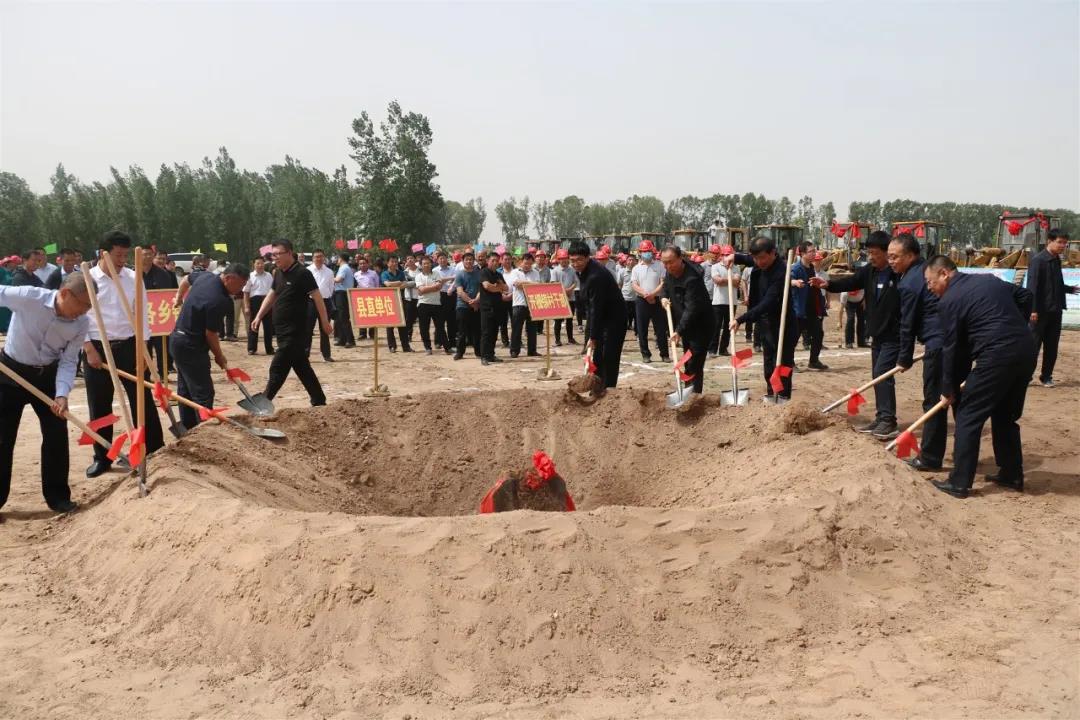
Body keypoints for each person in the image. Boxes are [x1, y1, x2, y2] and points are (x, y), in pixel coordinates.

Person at [923, 255, 1035, 498]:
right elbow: (1026, 296)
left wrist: (948, 389)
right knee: (1005, 415)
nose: (929, 288)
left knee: (968, 415)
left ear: (944, 274)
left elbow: (951, 349)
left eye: (930, 282)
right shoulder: (988, 280)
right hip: (1026, 349)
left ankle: (959, 482)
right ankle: (1011, 474)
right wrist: (1016, 324)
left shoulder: (949, 300)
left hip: (997, 356)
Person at [0, 274, 94, 514]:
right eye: (83, 304)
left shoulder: (81, 323)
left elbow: (69, 360)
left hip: (47, 377)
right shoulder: (29, 297)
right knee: (2, 438)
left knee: (56, 435)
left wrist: (62, 394)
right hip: (10, 374)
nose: (84, 311)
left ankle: (58, 497)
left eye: (89, 307)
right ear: (64, 293)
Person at [83, 230, 166, 478]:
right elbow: (78, 318)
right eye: (118, 255)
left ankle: (155, 448)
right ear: (103, 254)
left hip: (130, 344)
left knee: (142, 398)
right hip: (97, 347)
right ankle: (103, 456)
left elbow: (141, 314)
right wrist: (88, 349)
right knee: (100, 404)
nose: (122, 260)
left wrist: (143, 347)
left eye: (125, 255)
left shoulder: (132, 277)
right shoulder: (87, 278)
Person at [811, 231, 901, 439]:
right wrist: (828, 284)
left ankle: (889, 421)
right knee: (877, 375)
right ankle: (882, 416)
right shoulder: (870, 271)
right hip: (877, 334)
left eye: (874, 253)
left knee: (883, 374)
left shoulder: (897, 273)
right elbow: (851, 282)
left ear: (887, 252)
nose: (870, 257)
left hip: (894, 335)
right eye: (869, 253)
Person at [251, 239, 332, 407]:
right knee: (301, 366)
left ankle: (264, 401)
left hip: (295, 330)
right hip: (281, 330)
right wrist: (258, 316)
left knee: (278, 366)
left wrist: (325, 322)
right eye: (273, 255)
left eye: (278, 254)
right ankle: (318, 399)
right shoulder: (278, 273)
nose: (275, 258)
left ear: (289, 253)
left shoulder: (302, 273)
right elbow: (272, 294)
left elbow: (318, 298)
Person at [889, 233, 945, 471]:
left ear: (911, 256)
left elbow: (908, 324)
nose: (891, 261)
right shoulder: (926, 270)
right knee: (954, 399)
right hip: (953, 339)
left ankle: (930, 458)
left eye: (895, 257)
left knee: (934, 401)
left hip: (938, 342)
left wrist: (904, 358)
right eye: (889, 256)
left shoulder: (910, 282)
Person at [170, 264, 249, 429]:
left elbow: (186, 279)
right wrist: (219, 356)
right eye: (240, 285)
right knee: (203, 393)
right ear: (228, 278)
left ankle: (188, 427)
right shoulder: (219, 300)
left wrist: (178, 297)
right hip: (191, 346)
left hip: (177, 340)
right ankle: (203, 431)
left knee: (185, 390)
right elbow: (211, 334)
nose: (240, 289)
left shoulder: (205, 277)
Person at [724, 236, 799, 401]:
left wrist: (741, 319)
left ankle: (783, 397)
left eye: (762, 258)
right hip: (766, 323)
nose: (759, 262)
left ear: (773, 253)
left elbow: (767, 303)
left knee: (782, 365)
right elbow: (748, 259)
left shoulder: (781, 272)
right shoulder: (761, 260)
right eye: (756, 258)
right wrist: (734, 257)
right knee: (769, 366)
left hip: (783, 325)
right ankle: (772, 394)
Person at [568, 241, 626, 388]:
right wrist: (592, 334)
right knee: (598, 355)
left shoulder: (595, 276)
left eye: (579, 260)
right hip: (601, 318)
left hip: (614, 320)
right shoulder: (583, 271)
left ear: (588, 257)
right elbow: (592, 308)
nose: (575, 264)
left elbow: (596, 308)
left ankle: (608, 390)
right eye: (572, 260)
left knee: (609, 356)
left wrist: (593, 336)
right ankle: (598, 387)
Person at [1026, 228, 1078, 388]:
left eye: (1065, 243)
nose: (1062, 246)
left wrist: (1070, 289)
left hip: (1055, 310)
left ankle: (1046, 376)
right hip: (1039, 312)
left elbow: (1055, 284)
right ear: (1050, 241)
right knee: (1033, 346)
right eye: (1060, 242)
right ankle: (1025, 376)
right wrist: (1032, 310)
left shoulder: (1056, 260)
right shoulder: (1038, 260)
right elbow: (1032, 286)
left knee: (1052, 347)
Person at [660, 247, 711, 395]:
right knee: (688, 360)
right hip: (686, 324)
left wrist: (679, 331)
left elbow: (691, 309)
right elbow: (666, 286)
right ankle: (689, 391)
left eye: (671, 262)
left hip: (701, 325)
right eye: (664, 263)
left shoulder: (692, 278)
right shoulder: (670, 272)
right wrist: (663, 297)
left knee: (695, 362)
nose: (668, 266)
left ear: (680, 258)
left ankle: (694, 395)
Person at [790, 242, 828, 371]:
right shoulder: (795, 268)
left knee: (818, 334)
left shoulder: (811, 267)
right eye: (811, 251)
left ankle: (814, 361)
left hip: (811, 309)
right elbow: (786, 280)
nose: (814, 254)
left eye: (814, 251)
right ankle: (789, 363)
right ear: (802, 253)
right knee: (793, 337)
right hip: (799, 309)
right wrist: (795, 282)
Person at [630, 239, 669, 363]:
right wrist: (645, 294)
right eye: (644, 251)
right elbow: (634, 284)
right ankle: (645, 354)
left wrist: (653, 294)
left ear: (652, 252)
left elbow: (663, 283)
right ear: (640, 253)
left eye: (648, 251)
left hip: (657, 300)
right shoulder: (636, 268)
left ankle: (664, 354)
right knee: (642, 329)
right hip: (641, 301)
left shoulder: (660, 265)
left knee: (661, 329)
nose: (646, 253)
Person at [303, 250, 336, 362]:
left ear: (324, 258)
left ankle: (326, 355)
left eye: (321, 256)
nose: (319, 259)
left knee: (325, 328)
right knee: (308, 329)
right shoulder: (307, 270)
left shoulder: (329, 272)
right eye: (316, 257)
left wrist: (325, 296)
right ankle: (305, 354)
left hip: (325, 301)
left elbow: (331, 287)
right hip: (311, 302)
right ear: (313, 258)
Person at [507, 252, 541, 358]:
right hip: (519, 303)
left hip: (532, 304)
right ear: (521, 262)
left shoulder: (535, 272)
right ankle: (514, 350)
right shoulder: (515, 272)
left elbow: (537, 286)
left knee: (532, 329)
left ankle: (532, 350)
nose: (527, 266)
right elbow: (516, 284)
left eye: (530, 264)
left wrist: (524, 284)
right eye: (526, 263)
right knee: (516, 328)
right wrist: (531, 284)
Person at [708, 245, 739, 356]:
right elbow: (718, 281)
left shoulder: (736, 268)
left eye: (728, 255)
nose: (726, 257)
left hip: (732, 302)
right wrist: (730, 280)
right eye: (724, 255)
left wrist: (725, 280)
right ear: (721, 256)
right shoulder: (715, 267)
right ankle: (712, 349)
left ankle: (723, 349)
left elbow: (737, 282)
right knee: (716, 326)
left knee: (728, 327)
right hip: (718, 302)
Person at [452, 252, 482, 360]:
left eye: (471, 259)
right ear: (463, 261)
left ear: (474, 261)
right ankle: (460, 352)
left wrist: (476, 300)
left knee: (477, 330)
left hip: (477, 305)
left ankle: (478, 352)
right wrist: (472, 302)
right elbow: (460, 292)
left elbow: (481, 289)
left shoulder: (479, 274)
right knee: (461, 331)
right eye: (466, 259)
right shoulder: (459, 274)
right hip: (462, 306)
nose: (469, 261)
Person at [479, 253, 508, 366]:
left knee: (494, 332)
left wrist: (497, 287)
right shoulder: (484, 272)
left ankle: (491, 354)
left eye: (497, 260)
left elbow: (506, 288)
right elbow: (487, 286)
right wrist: (499, 288)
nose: (495, 263)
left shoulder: (499, 274)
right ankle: (484, 356)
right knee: (486, 333)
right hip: (486, 307)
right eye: (493, 260)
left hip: (498, 307)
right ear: (488, 261)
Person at [380, 256, 414, 353]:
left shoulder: (401, 273)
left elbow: (405, 285)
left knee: (402, 324)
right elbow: (387, 284)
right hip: (389, 301)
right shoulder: (384, 273)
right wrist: (399, 282)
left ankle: (406, 346)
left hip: (400, 300)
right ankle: (392, 346)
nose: (394, 263)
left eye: (396, 262)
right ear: (388, 263)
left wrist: (395, 284)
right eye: (392, 261)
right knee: (390, 325)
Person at [414, 256, 446, 354]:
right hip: (423, 304)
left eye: (428, 263)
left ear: (431, 264)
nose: (426, 265)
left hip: (436, 303)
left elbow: (439, 287)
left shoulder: (436, 273)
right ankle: (428, 348)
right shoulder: (418, 276)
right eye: (424, 263)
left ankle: (447, 347)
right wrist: (433, 287)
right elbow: (421, 289)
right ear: (421, 265)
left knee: (440, 327)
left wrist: (425, 289)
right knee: (424, 328)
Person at [243, 256, 274, 355]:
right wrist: (247, 307)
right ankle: (252, 348)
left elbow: (273, 290)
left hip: (267, 301)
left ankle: (269, 348)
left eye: (262, 263)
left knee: (268, 326)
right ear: (254, 265)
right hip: (254, 301)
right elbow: (246, 292)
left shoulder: (269, 275)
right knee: (254, 325)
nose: (260, 265)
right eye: (258, 263)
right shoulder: (250, 276)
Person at [551, 249, 578, 346]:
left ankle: (570, 338)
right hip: (559, 299)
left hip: (571, 298)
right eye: (562, 259)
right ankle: (557, 340)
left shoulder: (572, 270)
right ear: (558, 259)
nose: (564, 260)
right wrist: (564, 291)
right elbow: (554, 283)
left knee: (569, 320)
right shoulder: (555, 271)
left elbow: (575, 282)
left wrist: (570, 289)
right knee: (558, 320)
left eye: (566, 258)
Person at [331, 252, 357, 349]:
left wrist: (329, 278)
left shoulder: (344, 268)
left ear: (341, 259)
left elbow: (339, 279)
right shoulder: (345, 268)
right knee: (340, 317)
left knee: (343, 317)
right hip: (341, 293)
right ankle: (342, 339)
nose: (337, 260)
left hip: (342, 293)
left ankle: (350, 340)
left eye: (338, 258)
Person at [434, 251, 458, 353]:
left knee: (451, 320)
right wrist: (450, 278)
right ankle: (438, 341)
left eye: (444, 258)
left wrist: (450, 287)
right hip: (439, 295)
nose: (442, 260)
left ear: (447, 259)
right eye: (440, 258)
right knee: (439, 320)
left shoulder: (453, 269)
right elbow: (437, 281)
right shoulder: (434, 270)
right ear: (437, 260)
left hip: (451, 295)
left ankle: (452, 342)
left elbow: (456, 280)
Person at [496, 253, 514, 348]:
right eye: (505, 259)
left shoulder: (516, 271)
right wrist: (502, 294)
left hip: (514, 298)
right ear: (501, 261)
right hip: (501, 299)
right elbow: (495, 285)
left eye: (509, 259)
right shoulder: (497, 272)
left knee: (515, 321)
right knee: (503, 322)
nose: (507, 261)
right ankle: (505, 341)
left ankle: (515, 340)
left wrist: (511, 295)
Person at [621, 254, 638, 335]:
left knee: (637, 317)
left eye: (633, 260)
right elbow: (619, 284)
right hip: (625, 298)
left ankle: (637, 334)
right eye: (629, 260)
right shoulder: (622, 271)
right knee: (624, 318)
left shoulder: (638, 271)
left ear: (636, 261)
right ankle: (622, 334)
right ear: (626, 261)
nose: (631, 262)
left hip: (636, 298)